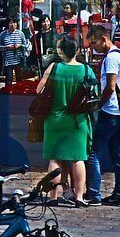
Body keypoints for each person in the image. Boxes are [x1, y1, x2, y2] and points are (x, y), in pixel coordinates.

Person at [40, 36, 94, 207]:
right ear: (77, 51)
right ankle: (78, 197)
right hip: (78, 121)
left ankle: (53, 197)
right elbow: (94, 94)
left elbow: (39, 89)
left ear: (60, 51)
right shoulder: (86, 70)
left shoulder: (54, 67)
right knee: (78, 159)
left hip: (55, 119)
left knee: (55, 159)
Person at [85, 25, 120, 207]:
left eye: (94, 42)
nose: (93, 47)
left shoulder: (111, 58)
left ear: (104, 39)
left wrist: (98, 104)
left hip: (111, 111)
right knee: (119, 154)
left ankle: (94, 194)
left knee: (93, 152)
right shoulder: (118, 55)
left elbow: (110, 87)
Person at [0, 18, 26, 87]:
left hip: (19, 61)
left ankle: (19, 95)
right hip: (8, 61)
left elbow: (26, 45)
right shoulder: (3, 34)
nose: (13, 25)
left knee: (19, 80)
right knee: (8, 81)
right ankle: (8, 95)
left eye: (14, 23)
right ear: (8, 24)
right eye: (11, 23)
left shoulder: (20, 33)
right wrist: (7, 47)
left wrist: (20, 46)